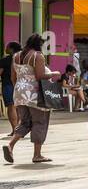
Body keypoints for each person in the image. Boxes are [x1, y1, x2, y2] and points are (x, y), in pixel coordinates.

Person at [4, 34, 53, 165]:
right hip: (35, 94)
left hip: (19, 92)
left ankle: (10, 145)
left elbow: (13, 77)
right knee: (39, 122)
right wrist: (54, 74)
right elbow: (40, 75)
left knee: (25, 122)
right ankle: (37, 155)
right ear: (38, 44)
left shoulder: (16, 56)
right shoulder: (38, 56)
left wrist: (19, 90)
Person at [1, 41, 20, 132]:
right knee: (18, 107)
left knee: (11, 107)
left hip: (8, 84)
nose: (5, 49)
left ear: (11, 49)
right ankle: (19, 130)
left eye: (7, 47)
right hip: (21, 85)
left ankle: (14, 130)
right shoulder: (22, 58)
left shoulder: (6, 60)